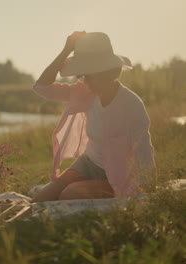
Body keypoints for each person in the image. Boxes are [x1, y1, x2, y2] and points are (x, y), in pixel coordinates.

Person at [32, 31, 155, 202]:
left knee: (70, 194)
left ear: (109, 73)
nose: (85, 79)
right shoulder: (84, 92)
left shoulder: (131, 105)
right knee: (41, 199)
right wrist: (66, 50)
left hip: (117, 175)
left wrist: (145, 187)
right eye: (83, 74)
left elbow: (143, 150)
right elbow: (41, 87)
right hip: (88, 164)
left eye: (90, 74)